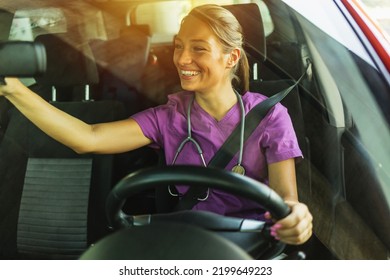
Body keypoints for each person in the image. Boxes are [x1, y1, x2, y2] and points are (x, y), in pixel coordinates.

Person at [0, 4, 312, 245]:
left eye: (198, 48)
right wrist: (12, 89)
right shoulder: (168, 116)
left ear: (231, 58)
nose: (182, 59)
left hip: (251, 247)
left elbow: (287, 201)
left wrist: (296, 220)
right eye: (179, 46)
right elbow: (88, 138)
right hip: (186, 244)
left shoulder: (271, 116)